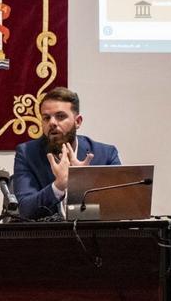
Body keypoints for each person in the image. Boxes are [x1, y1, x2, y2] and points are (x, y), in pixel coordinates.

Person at [13, 87, 121, 220]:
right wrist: (59, 186)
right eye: (46, 118)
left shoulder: (106, 155)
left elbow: (120, 207)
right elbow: (26, 210)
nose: (52, 123)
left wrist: (82, 183)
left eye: (60, 116)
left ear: (78, 121)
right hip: (47, 237)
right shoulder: (27, 153)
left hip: (94, 236)